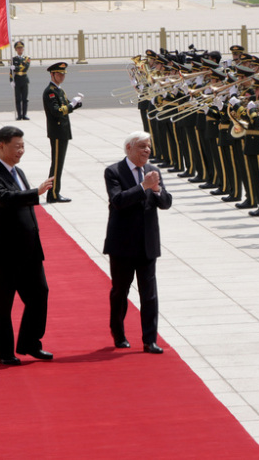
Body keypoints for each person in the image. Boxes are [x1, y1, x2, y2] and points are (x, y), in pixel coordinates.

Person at [0, 126, 54, 365]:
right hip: (5, 252)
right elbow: (5, 199)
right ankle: (5, 352)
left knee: (39, 295)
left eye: (23, 146)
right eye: (17, 146)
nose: (21, 150)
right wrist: (37, 192)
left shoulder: (19, 171)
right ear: (1, 145)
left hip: (30, 251)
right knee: (3, 305)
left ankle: (30, 343)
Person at [103, 131, 172, 353]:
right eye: (142, 146)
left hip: (147, 242)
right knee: (120, 291)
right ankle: (119, 332)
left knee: (149, 293)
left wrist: (157, 189)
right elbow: (118, 201)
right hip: (122, 244)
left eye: (149, 146)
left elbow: (166, 203)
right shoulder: (114, 171)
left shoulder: (153, 171)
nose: (147, 150)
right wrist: (143, 187)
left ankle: (149, 339)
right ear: (129, 148)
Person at [43, 62, 82, 203]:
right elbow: (57, 111)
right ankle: (53, 194)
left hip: (63, 131)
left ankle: (54, 192)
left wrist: (75, 104)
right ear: (52, 74)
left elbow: (65, 106)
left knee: (59, 164)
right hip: (57, 132)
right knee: (57, 164)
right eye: (59, 74)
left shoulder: (59, 90)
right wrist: (71, 105)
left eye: (63, 74)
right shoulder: (50, 91)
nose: (62, 76)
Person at [10, 41, 31, 121]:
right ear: (16, 49)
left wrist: (15, 68)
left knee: (25, 99)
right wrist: (11, 80)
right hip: (17, 80)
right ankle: (19, 115)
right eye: (18, 48)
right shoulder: (13, 59)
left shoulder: (27, 58)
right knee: (18, 98)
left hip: (24, 79)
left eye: (21, 48)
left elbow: (26, 68)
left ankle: (24, 114)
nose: (20, 49)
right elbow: (10, 71)